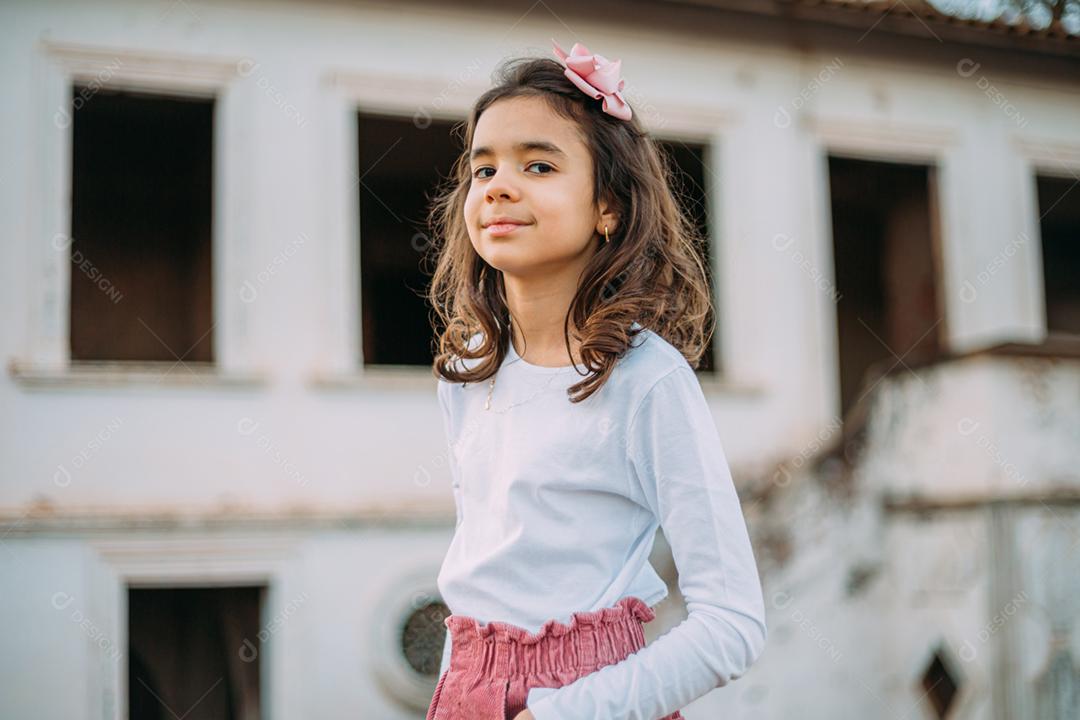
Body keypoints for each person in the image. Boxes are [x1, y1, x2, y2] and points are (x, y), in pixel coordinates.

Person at [423, 38, 767, 720]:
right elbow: (477, 580)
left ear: (607, 207)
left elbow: (733, 623)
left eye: (539, 164)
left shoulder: (648, 382)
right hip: (465, 690)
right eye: (482, 168)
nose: (498, 186)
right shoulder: (466, 373)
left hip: (593, 699)